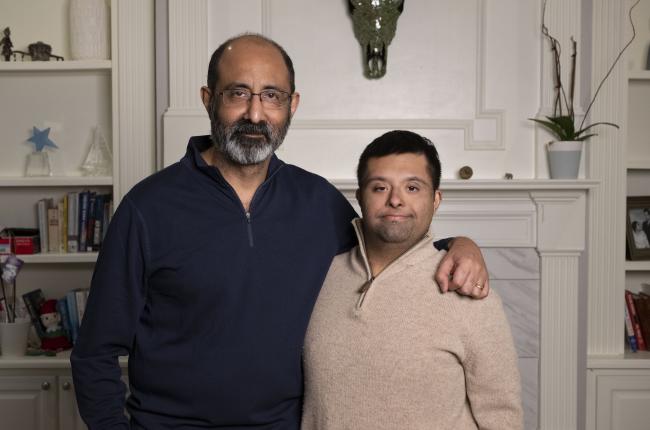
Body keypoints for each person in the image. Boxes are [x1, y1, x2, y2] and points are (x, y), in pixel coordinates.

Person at [71, 34, 490, 429]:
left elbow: (387, 257)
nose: (256, 114)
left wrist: (458, 245)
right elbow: (95, 353)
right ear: (208, 100)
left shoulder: (318, 202)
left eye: (272, 96)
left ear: (292, 105)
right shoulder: (148, 208)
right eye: (238, 93)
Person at [302, 130, 523, 429]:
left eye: (413, 188)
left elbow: (503, 418)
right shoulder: (317, 276)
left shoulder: (469, 292)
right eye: (380, 188)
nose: (395, 200)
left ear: (436, 200)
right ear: (360, 197)